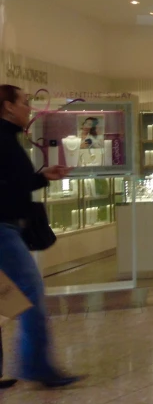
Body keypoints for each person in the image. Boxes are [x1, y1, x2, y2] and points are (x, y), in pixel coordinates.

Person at [0, 85, 81, 388]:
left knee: (8, 297)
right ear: (8, 106)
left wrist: (41, 177)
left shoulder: (9, 138)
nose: (28, 108)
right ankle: (37, 366)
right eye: (24, 103)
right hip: (3, 228)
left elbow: (14, 181)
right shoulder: (4, 139)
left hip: (9, 227)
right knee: (30, 292)